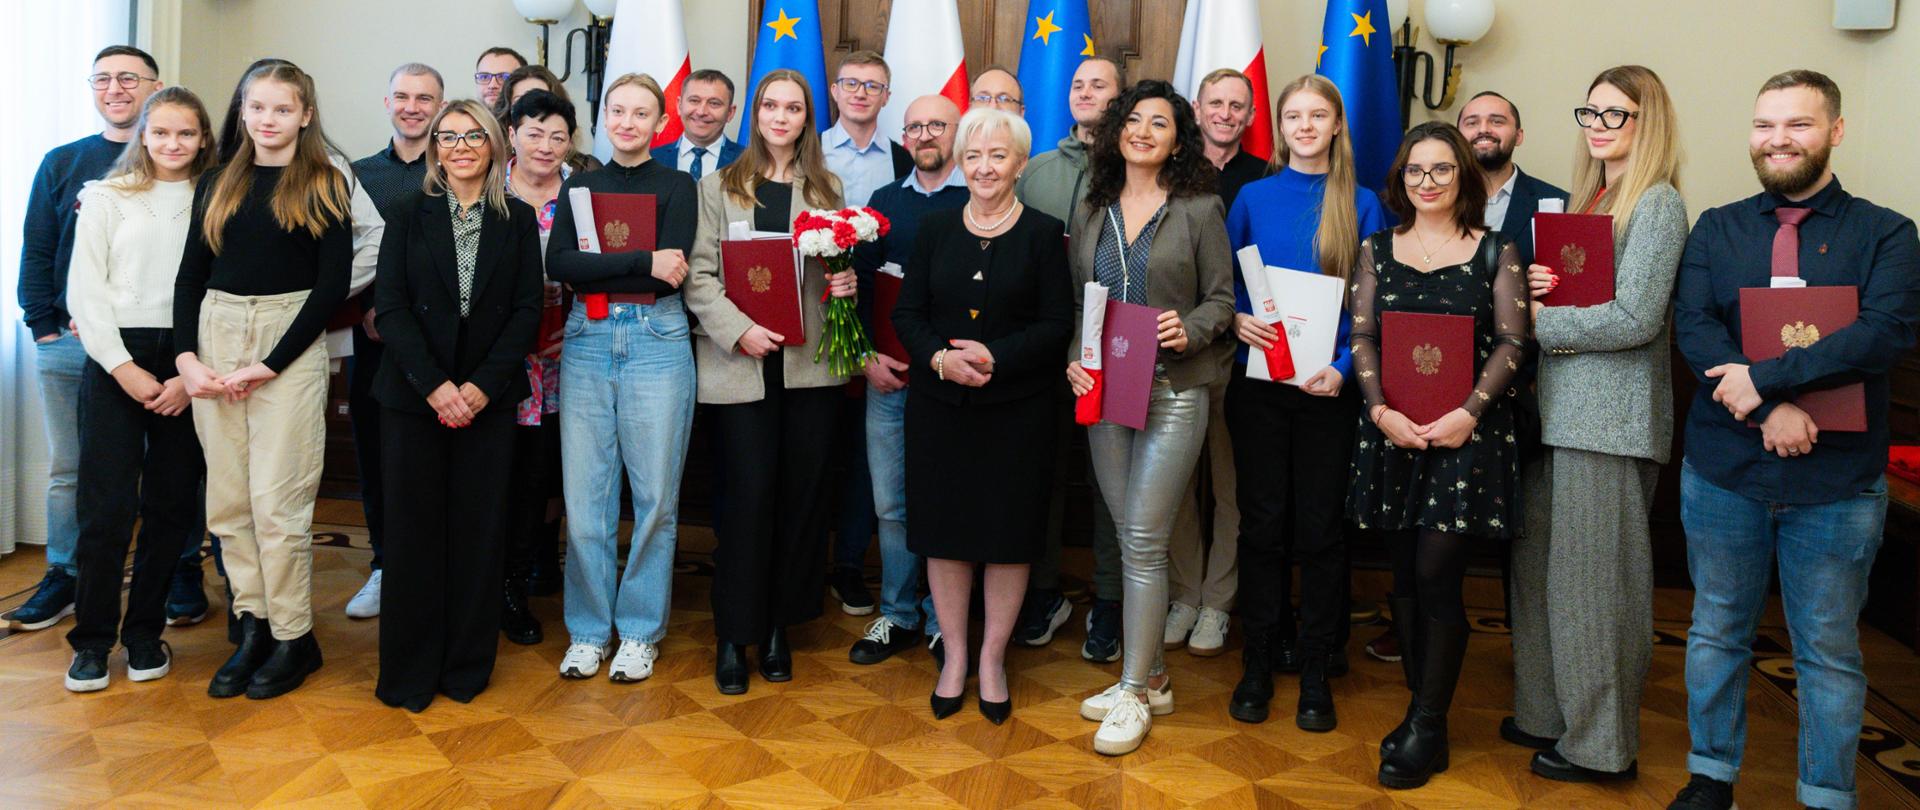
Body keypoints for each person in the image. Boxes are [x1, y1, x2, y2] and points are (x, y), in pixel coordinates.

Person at [1667, 70, 1920, 810]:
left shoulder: (1888, 233)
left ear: (1835, 131)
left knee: (1829, 651)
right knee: (1716, 631)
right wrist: (1768, 408)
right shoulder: (1717, 227)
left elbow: (1882, 334)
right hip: (1724, 471)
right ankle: (1710, 779)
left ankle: (1826, 796)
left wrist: (1768, 381)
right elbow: (1695, 328)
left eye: (1798, 124)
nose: (1777, 139)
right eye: (1765, 124)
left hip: (1837, 484)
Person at [1510, 65, 1690, 784]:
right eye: (1591, 112)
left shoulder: (1659, 202)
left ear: (1649, 123)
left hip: (1610, 423)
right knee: (1539, 574)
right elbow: (1586, 299)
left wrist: (1541, 321)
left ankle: (1600, 748)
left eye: (1616, 114)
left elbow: (1636, 318)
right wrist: (1542, 289)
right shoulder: (1591, 199)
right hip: (1558, 412)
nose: (1598, 126)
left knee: (1595, 588)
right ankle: (1545, 714)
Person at [1348, 121, 1526, 789]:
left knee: (1435, 574)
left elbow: (1512, 343)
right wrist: (1380, 412)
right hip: (1392, 434)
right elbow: (1362, 336)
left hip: (1466, 438)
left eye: (1442, 169)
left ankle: (1428, 721)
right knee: (1402, 576)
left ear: (1463, 176)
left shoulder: (1497, 250)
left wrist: (1468, 413)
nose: (1428, 182)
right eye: (1416, 170)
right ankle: (1423, 719)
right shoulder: (1376, 248)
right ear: (1401, 179)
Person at [1064, 79, 1235, 755]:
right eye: (1133, 120)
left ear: (1178, 140)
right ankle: (1153, 675)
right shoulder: (1093, 203)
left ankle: (1133, 690)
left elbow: (1222, 301)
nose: (1142, 131)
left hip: (1174, 391)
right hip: (1105, 389)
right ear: (1116, 132)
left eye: (1158, 123)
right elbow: (1080, 303)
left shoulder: (1199, 207)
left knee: (1142, 538)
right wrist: (1074, 362)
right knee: (1128, 533)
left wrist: (1188, 328)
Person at [174, 62, 353, 700]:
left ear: (305, 115)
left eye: (282, 108)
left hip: (289, 340)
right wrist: (186, 358)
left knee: (278, 503)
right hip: (216, 332)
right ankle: (251, 625)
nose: (267, 119)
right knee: (228, 503)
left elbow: (332, 287)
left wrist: (272, 362)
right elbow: (190, 276)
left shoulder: (325, 182)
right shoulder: (217, 181)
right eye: (257, 107)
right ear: (242, 111)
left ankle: (293, 636)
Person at [896, 106, 1073, 724]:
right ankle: (955, 657)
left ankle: (993, 659)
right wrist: (941, 359)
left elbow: (1057, 324)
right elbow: (907, 314)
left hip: (1018, 413)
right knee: (944, 535)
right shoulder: (936, 228)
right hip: (940, 408)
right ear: (960, 162)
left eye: (998, 156)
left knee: (1007, 538)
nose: (985, 167)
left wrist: (997, 356)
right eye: (973, 155)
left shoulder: (1045, 234)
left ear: (1020, 164)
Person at [1223, 74, 1390, 729]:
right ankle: (1259, 658)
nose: (1305, 126)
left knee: (1321, 530)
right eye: (1293, 116)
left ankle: (1318, 664)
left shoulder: (1363, 204)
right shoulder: (1252, 197)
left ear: (1337, 124)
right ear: (1280, 126)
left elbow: (1373, 303)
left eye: (1317, 115)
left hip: (1328, 389)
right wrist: (1237, 319)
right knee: (1262, 525)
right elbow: (1226, 284)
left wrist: (1345, 369)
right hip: (1259, 385)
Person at [370, 100, 542, 711]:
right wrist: (436, 386)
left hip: (486, 399)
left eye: (474, 136)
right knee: (413, 536)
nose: (461, 147)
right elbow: (390, 307)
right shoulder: (406, 212)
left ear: (494, 145)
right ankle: (409, 672)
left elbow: (527, 310)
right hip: (415, 396)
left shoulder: (517, 219)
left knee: (478, 534)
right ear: (435, 148)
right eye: (449, 137)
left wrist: (481, 386)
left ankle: (466, 666)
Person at [683, 69, 852, 695]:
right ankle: (735, 633)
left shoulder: (827, 189)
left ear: (807, 119)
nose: (781, 117)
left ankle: (780, 625)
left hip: (809, 369)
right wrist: (739, 330)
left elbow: (833, 272)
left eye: (793, 108)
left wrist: (845, 283)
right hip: (742, 366)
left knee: (800, 499)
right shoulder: (717, 187)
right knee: (746, 499)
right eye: (770, 106)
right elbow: (699, 276)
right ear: (754, 115)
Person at [544, 74, 700, 682]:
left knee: (656, 496)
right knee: (586, 499)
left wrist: (609, 267)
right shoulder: (579, 185)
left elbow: (673, 269)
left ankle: (638, 632)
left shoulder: (678, 185)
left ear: (661, 123)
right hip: (588, 338)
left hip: (657, 340)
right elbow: (561, 264)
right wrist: (640, 260)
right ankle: (588, 632)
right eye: (617, 111)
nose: (628, 122)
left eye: (641, 113)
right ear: (603, 117)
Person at [61, 87, 216, 692]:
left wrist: (187, 376)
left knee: (171, 507)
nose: (173, 144)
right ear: (143, 136)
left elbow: (222, 290)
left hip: (189, 359)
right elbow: (85, 291)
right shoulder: (106, 196)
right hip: (115, 359)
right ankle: (92, 642)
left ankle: (146, 633)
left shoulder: (217, 198)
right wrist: (122, 367)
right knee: (105, 509)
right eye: (162, 133)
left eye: (186, 133)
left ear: (203, 139)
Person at [12, 45, 164, 634]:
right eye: (102, 79)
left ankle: (175, 570)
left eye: (128, 78)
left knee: (170, 466)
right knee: (70, 468)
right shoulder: (63, 161)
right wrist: (42, 326)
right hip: (70, 344)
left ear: (155, 87)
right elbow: (38, 247)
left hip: (155, 343)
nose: (114, 88)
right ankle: (64, 574)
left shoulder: (175, 160)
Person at [846, 94, 968, 666]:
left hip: (952, 382)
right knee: (891, 504)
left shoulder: (979, 198)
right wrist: (865, 356)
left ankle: (946, 622)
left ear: (957, 132)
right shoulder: (883, 202)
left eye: (937, 125)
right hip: (889, 377)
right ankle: (897, 613)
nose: (925, 135)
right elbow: (860, 286)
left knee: (946, 500)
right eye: (915, 126)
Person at [1013, 56, 1125, 659]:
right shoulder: (1036, 171)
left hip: (1113, 347)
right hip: (1042, 349)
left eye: (1098, 85)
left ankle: (1111, 597)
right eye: (1077, 84)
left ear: (1120, 98)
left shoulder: (1134, 168)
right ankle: (1042, 590)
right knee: (1041, 473)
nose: (1085, 92)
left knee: (1109, 479)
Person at [1164, 67, 1269, 659]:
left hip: (1238, 353)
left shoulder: (1265, 178)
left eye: (1237, 105)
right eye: (1216, 103)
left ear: (1250, 116)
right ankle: (1183, 593)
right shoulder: (1171, 173)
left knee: (1231, 486)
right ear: (1197, 109)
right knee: (1176, 482)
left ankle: (1217, 602)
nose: (1226, 113)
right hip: (1174, 351)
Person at [343, 62, 444, 622]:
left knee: (435, 460)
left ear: (440, 105)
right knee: (377, 457)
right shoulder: (356, 175)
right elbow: (343, 256)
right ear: (387, 103)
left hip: (441, 344)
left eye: (424, 98)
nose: (412, 107)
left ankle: (434, 570)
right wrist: (367, 308)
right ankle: (385, 564)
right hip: (374, 342)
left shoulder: (457, 169)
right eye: (402, 96)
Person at [818, 50, 910, 618]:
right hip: (811, 313)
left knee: (861, 450)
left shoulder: (902, 160)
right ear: (834, 90)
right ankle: (806, 563)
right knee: (815, 442)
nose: (860, 93)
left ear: (886, 96)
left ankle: (849, 564)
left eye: (872, 86)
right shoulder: (807, 150)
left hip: (874, 316)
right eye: (851, 83)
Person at [497, 89, 579, 646]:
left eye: (557, 136)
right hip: (500, 359)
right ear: (512, 134)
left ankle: (525, 577)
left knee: (544, 472)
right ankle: (495, 583)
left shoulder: (584, 194)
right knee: (501, 474)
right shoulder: (488, 189)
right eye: (534, 133)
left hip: (568, 355)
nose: (545, 146)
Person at [652, 69, 743, 180]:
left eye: (714, 103)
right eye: (694, 101)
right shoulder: (651, 159)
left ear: (730, 113)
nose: (701, 112)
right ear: (679, 106)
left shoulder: (750, 161)